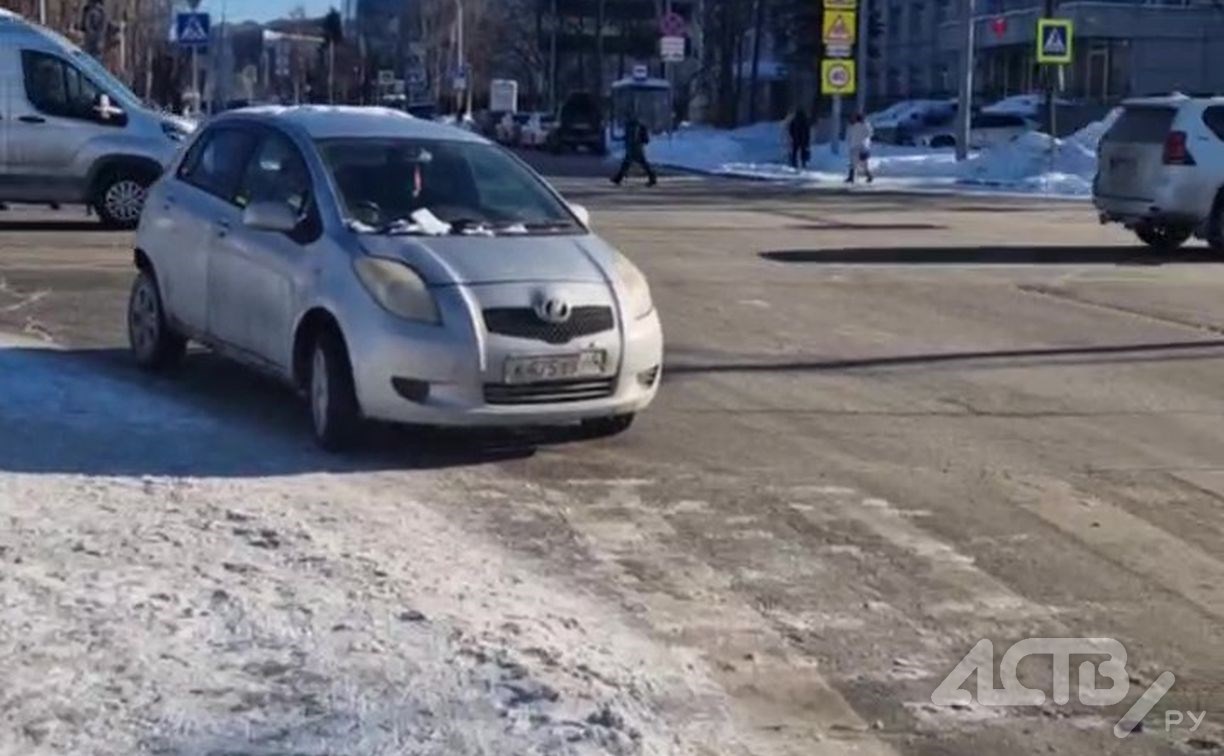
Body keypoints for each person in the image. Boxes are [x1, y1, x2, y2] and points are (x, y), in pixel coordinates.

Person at [611, 114, 657, 187]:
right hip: (636, 148)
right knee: (630, 163)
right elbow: (644, 139)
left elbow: (630, 138)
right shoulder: (638, 126)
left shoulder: (631, 126)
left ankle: (652, 177)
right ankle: (618, 178)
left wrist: (624, 140)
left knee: (634, 163)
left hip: (634, 148)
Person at [846, 112, 874, 184]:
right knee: (853, 162)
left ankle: (869, 176)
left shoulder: (864, 125)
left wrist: (865, 141)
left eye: (854, 117)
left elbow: (869, 134)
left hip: (862, 146)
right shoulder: (852, 126)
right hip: (855, 146)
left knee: (863, 163)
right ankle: (851, 177)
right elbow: (849, 136)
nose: (852, 119)